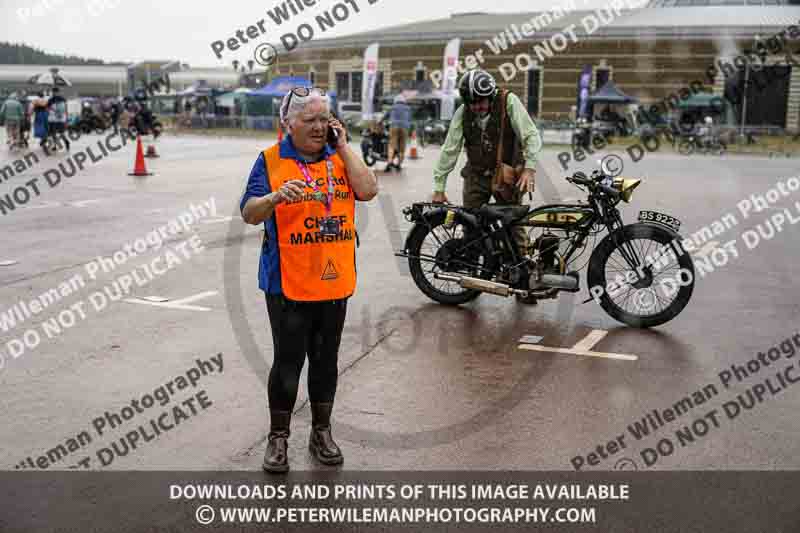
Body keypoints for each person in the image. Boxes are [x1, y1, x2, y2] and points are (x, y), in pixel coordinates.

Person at [240, 88, 378, 473]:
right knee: (288, 362)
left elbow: (367, 190)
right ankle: (278, 438)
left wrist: (345, 147)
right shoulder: (270, 160)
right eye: (311, 120)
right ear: (289, 124)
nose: (320, 127)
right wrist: (275, 197)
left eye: (325, 118)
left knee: (325, 361)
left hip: (334, 283)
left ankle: (322, 433)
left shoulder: (341, 158)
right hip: (287, 284)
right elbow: (249, 213)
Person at [430, 69, 543, 303]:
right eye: (472, 103)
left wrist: (530, 168)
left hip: (507, 175)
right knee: (471, 225)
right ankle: (472, 279)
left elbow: (531, 135)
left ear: (490, 96)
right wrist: (439, 187)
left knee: (514, 226)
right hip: (476, 175)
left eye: (481, 102)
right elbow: (449, 149)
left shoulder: (509, 102)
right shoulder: (463, 113)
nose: (477, 107)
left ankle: (522, 279)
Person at [386, 94, 411, 172]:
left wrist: (380, 121)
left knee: (392, 145)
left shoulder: (393, 107)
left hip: (394, 126)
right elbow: (409, 119)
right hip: (404, 128)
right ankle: (399, 165)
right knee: (402, 147)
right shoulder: (408, 108)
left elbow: (386, 116)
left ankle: (390, 162)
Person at [47, 87, 70, 151]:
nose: (55, 93)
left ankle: (66, 142)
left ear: (58, 92)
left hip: (60, 119)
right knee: (53, 133)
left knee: (61, 133)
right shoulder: (50, 100)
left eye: (56, 92)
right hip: (52, 119)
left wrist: (66, 117)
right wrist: (52, 110)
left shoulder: (62, 99)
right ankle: (54, 145)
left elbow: (66, 108)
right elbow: (48, 109)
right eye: (54, 92)